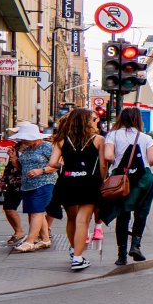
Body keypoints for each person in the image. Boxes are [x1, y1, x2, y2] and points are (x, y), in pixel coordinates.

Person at [100, 109, 153, 266]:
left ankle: (121, 255)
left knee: (123, 214)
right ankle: (136, 246)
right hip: (144, 179)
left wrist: (118, 163)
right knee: (141, 212)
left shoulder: (113, 135)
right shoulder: (146, 137)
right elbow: (152, 160)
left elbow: (108, 156)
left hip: (122, 179)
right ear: (138, 120)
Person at [47, 108, 103, 271]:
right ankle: (78, 258)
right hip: (89, 183)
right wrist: (103, 179)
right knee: (83, 220)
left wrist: (65, 166)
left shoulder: (62, 139)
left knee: (71, 218)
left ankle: (73, 250)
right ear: (87, 122)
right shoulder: (98, 139)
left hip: (67, 182)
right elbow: (103, 164)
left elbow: (52, 163)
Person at [7, 122, 59, 252]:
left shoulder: (47, 147)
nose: (22, 140)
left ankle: (30, 241)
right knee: (34, 212)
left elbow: (58, 164)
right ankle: (45, 239)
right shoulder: (26, 149)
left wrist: (40, 170)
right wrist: (14, 160)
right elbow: (22, 168)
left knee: (37, 211)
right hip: (28, 184)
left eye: (24, 138)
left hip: (44, 182)